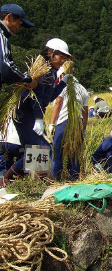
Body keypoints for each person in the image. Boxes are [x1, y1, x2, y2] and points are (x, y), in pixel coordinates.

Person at [2, 38, 72, 185]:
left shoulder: (51, 73)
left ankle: (32, 182)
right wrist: (39, 119)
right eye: (61, 56)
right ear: (50, 52)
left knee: (34, 150)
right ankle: (10, 180)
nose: (63, 60)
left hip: (30, 115)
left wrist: (63, 83)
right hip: (25, 114)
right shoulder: (42, 70)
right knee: (42, 148)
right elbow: (36, 98)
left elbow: (49, 97)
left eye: (65, 58)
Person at [49, 66, 89, 180]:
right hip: (78, 125)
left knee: (57, 156)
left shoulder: (62, 87)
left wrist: (52, 124)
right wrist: (84, 129)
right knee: (75, 157)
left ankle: (55, 181)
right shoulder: (82, 89)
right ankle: (74, 182)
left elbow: (57, 103)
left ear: (62, 75)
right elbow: (85, 111)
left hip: (63, 123)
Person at [0, 3, 35, 89]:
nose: (17, 28)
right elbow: (5, 66)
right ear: (9, 17)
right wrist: (27, 79)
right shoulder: (1, 36)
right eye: (18, 24)